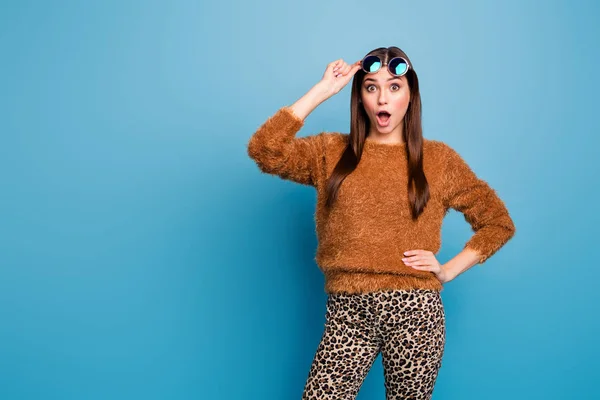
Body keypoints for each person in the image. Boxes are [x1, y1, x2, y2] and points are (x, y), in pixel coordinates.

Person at [246, 46, 516, 400]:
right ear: (359, 98)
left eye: (394, 86)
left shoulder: (439, 160)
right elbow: (264, 149)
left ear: (410, 96)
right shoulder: (330, 152)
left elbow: (498, 223)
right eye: (371, 87)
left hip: (415, 312)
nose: (381, 97)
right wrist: (323, 89)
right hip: (347, 311)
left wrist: (447, 270)